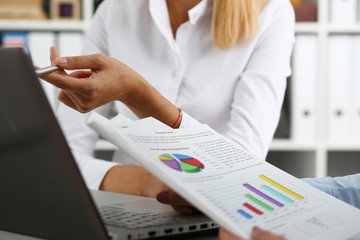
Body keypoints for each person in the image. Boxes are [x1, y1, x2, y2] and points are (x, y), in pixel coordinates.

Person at [42, 0, 295, 199]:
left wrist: (136, 92)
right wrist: (145, 183)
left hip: (212, 218)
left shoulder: (271, 11)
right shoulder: (115, 9)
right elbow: (62, 161)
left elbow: (240, 170)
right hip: (124, 201)